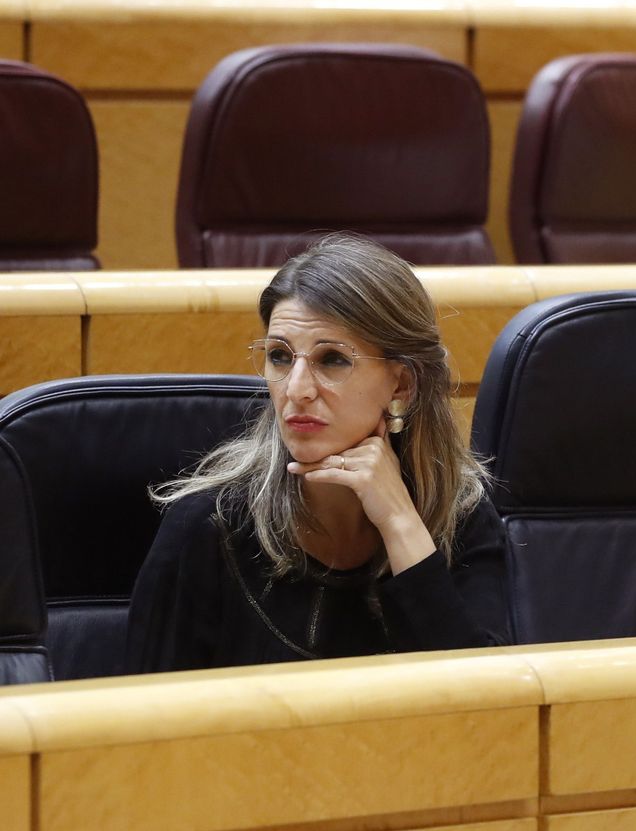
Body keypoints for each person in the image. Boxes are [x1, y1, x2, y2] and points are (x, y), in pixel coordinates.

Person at [127, 234, 509, 672]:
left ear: (402, 384)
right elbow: (145, 710)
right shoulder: (207, 527)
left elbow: (485, 701)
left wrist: (401, 522)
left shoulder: (462, 515)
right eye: (279, 356)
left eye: (332, 360)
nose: (297, 389)